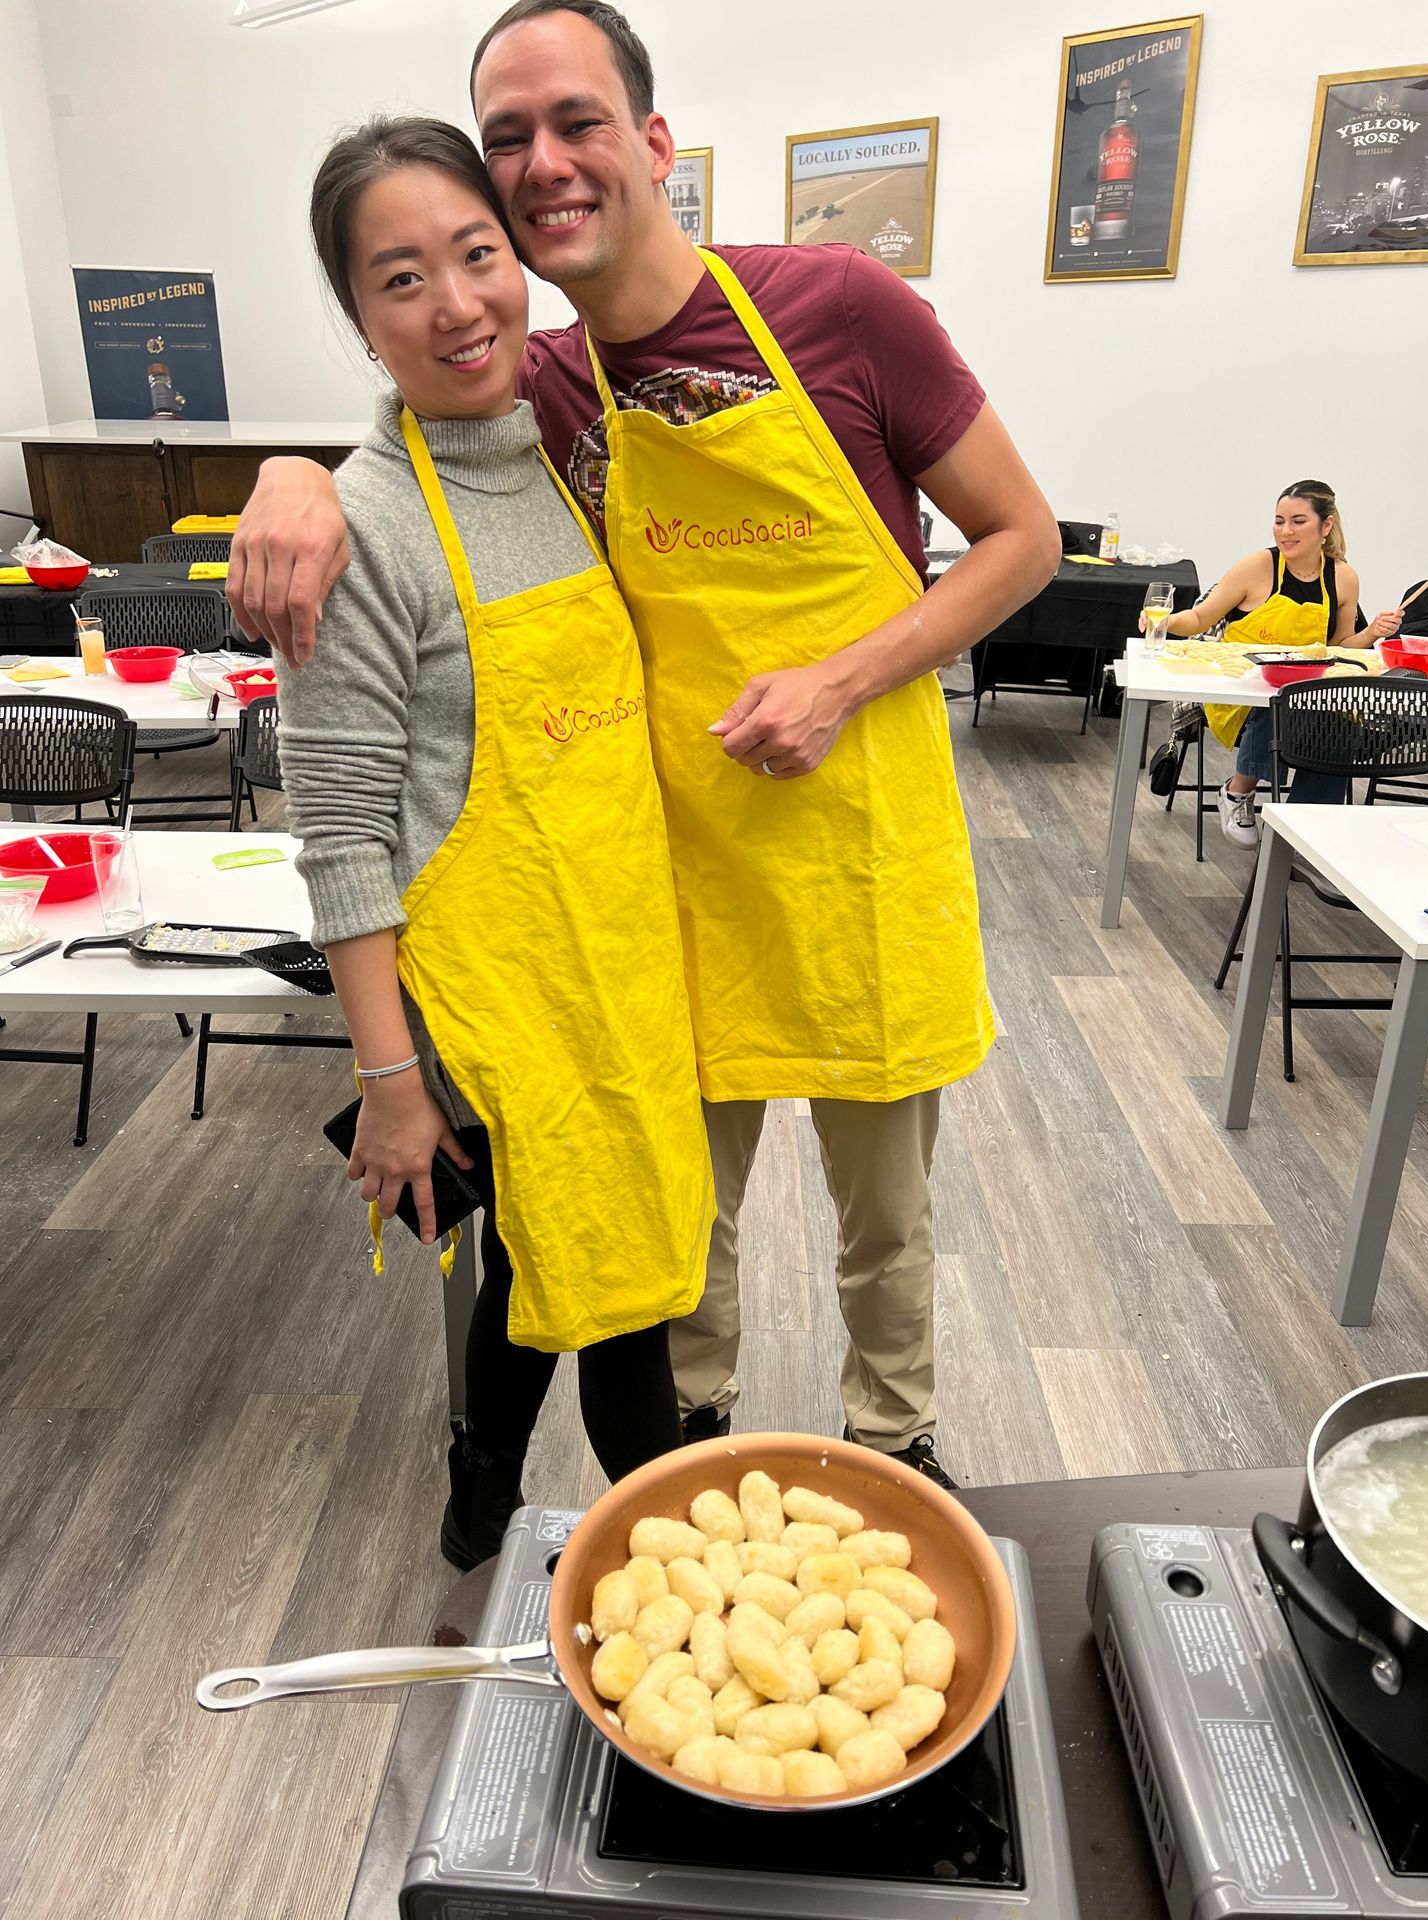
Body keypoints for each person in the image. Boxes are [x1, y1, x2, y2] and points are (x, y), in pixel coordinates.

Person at [228, 1, 1061, 1487]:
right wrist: (293, 476)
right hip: (675, 894)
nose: (545, 161)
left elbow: (1024, 539)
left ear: (654, 141)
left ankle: (898, 1455)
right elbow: (426, 417)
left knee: (889, 1225)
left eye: (576, 121)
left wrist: (841, 678)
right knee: (688, 1223)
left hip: (867, 863)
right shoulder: (551, 393)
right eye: (510, 139)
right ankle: (691, 1467)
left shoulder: (841, 306)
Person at [280, 114, 713, 1570]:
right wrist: (393, 1084)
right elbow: (337, 828)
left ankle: (478, 1478)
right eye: (402, 280)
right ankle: (681, 1562)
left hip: (625, 957)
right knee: (623, 1288)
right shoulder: (367, 523)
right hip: (500, 984)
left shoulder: (574, 445)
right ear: (357, 315)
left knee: (555, 1247)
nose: (457, 302)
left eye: (477, 254)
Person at [1158, 480, 1402, 848]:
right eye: (1279, 521)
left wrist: (1371, 633)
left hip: (1300, 690)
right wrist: (1165, 621)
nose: (1285, 531)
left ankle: (1303, 830)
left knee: (1333, 720)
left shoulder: (1343, 577)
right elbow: (1199, 619)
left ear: (1326, 526)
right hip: (1239, 687)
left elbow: (1337, 647)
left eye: (1298, 521)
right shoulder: (1258, 565)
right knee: (1282, 702)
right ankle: (1238, 792)